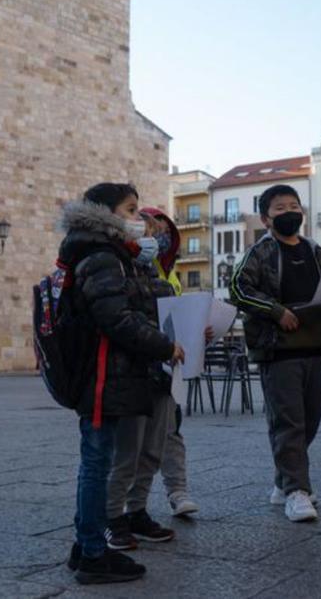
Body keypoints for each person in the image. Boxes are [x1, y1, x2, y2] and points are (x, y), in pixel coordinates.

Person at [57, 183, 184, 585]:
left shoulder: (98, 252)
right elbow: (116, 318)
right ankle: (95, 553)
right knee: (97, 464)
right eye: (131, 210)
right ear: (107, 214)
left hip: (106, 372)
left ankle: (85, 544)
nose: (138, 219)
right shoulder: (101, 256)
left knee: (95, 462)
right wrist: (165, 345)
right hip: (102, 375)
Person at [230, 184, 321, 523]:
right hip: (279, 350)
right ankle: (297, 491)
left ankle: (283, 480)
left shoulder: (315, 251)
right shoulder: (259, 253)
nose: (290, 212)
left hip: (317, 346)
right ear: (265, 217)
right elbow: (238, 289)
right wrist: (275, 311)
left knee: (310, 421)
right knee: (289, 422)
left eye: (294, 205)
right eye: (280, 207)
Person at [103, 213, 178, 552]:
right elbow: (124, 319)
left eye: (159, 234)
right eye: (149, 232)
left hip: (160, 373)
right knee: (127, 453)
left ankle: (137, 510)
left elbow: (169, 317)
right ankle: (112, 517)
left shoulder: (158, 275)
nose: (154, 239)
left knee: (152, 450)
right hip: (130, 373)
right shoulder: (115, 270)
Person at [141, 207, 201, 519]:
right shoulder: (134, 264)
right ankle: (132, 503)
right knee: (138, 435)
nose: (159, 237)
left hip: (168, 362)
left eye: (165, 231)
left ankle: (178, 491)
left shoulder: (170, 272)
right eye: (153, 229)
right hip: (142, 360)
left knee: (172, 430)